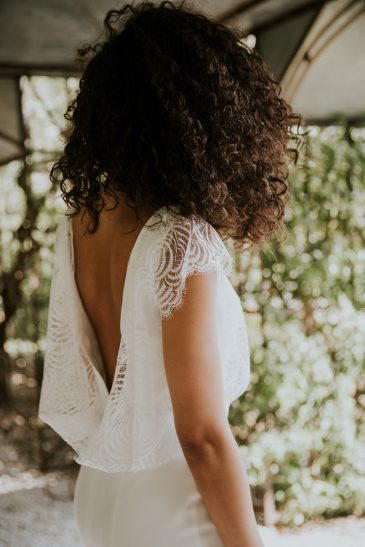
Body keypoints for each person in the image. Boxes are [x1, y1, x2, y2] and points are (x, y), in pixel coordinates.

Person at [38, 1, 304, 546]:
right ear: (209, 119)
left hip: (101, 494)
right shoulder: (181, 240)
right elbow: (201, 435)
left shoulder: (83, 221)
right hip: (173, 510)